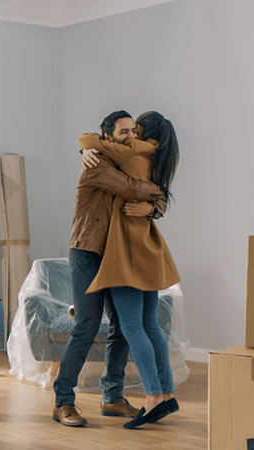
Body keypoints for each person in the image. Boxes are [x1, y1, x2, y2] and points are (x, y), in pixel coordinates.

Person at [53, 111, 167, 427]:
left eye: (134, 131)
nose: (131, 136)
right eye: (124, 132)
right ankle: (63, 400)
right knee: (88, 324)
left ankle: (112, 398)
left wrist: (154, 206)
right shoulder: (96, 164)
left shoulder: (126, 159)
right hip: (88, 253)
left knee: (122, 324)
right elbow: (132, 188)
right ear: (107, 137)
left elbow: (152, 193)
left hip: (116, 254)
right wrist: (157, 195)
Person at [78, 110, 181, 429]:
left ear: (143, 134)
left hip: (128, 250)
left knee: (132, 325)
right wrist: (154, 206)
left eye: (134, 129)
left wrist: (85, 146)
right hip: (149, 247)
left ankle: (151, 397)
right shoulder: (157, 158)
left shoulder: (133, 151)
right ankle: (165, 393)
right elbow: (158, 197)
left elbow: (95, 139)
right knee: (150, 324)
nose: (131, 135)